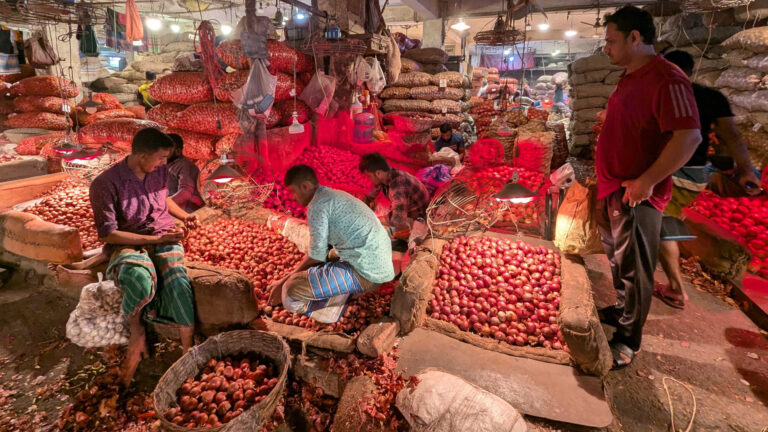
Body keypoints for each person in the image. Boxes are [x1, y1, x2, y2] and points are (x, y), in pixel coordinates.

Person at [596, 6, 702, 369]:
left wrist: (646, 181)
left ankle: (628, 341)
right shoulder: (630, 77)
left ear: (635, 38)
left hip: (637, 193)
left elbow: (688, 137)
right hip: (615, 187)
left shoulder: (667, 78)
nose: (606, 48)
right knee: (619, 259)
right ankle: (623, 310)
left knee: (636, 265)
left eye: (611, 41)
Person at [653, 50, 762, 309]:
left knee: (662, 227)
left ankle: (676, 289)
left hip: (671, 172)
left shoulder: (661, 96)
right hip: (694, 174)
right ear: (691, 71)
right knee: (662, 221)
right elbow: (731, 137)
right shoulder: (711, 97)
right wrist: (746, 170)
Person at [89, 128, 198, 386]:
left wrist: (185, 216)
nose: (164, 164)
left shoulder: (158, 171)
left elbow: (162, 201)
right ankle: (136, 331)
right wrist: (153, 241)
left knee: (178, 281)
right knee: (137, 279)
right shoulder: (105, 184)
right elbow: (109, 234)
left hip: (163, 236)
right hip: (127, 243)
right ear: (140, 156)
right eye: (160, 158)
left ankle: (187, 352)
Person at [267, 165, 394, 323]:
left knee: (290, 292)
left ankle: (334, 307)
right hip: (380, 263)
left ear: (305, 186)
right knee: (329, 257)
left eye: (293, 191)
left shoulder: (317, 206)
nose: (293, 197)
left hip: (367, 274)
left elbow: (316, 257)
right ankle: (339, 288)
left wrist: (285, 280)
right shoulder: (332, 195)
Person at [359, 153, 430, 250]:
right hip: (407, 213)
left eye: (369, 176)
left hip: (419, 220)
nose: (369, 179)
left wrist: (373, 219)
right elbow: (371, 194)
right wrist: (366, 201)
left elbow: (398, 220)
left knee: (376, 243)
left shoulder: (398, 185)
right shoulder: (387, 175)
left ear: (378, 173)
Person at [167, 133, 204, 213]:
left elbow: (186, 192)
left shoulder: (184, 165)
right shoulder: (167, 164)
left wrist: (165, 206)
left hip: (188, 210)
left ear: (178, 151)